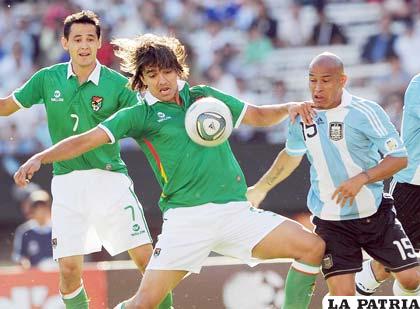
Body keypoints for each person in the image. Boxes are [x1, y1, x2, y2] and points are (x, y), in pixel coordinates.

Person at [14, 33, 325, 309]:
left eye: (166, 71)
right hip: (186, 221)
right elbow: (87, 139)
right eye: (151, 74)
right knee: (143, 304)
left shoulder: (205, 97)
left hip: (235, 212)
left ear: (179, 71)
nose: (161, 80)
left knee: (311, 247)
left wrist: (289, 108)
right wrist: (42, 156)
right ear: (141, 81)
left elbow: (256, 115)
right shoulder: (140, 115)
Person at [0, 11, 172, 309]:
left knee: (145, 258)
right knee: (68, 270)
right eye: (77, 39)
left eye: (90, 39)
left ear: (99, 43)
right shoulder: (46, 78)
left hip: (110, 179)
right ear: (64, 42)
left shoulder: (118, 85)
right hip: (67, 183)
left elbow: (146, 121)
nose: (84, 45)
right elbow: (5, 107)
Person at [247, 52, 419, 296]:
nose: (317, 87)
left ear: (342, 80)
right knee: (343, 298)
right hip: (332, 222)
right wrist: (261, 188)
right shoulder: (302, 117)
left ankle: (368, 282)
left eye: (325, 80)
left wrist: (362, 179)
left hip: (375, 215)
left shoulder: (365, 111)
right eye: (312, 80)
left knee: (411, 279)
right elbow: (290, 156)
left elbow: (399, 158)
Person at [355, 74, 420, 296]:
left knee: (413, 273)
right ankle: (354, 292)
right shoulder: (418, 84)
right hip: (412, 189)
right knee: (392, 265)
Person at [12, 190, 53, 268]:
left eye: (44, 206)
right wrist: (23, 261)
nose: (41, 210)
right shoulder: (25, 231)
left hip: (56, 272)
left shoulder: (57, 229)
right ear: (32, 210)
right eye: (37, 207)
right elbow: (17, 255)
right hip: (34, 274)